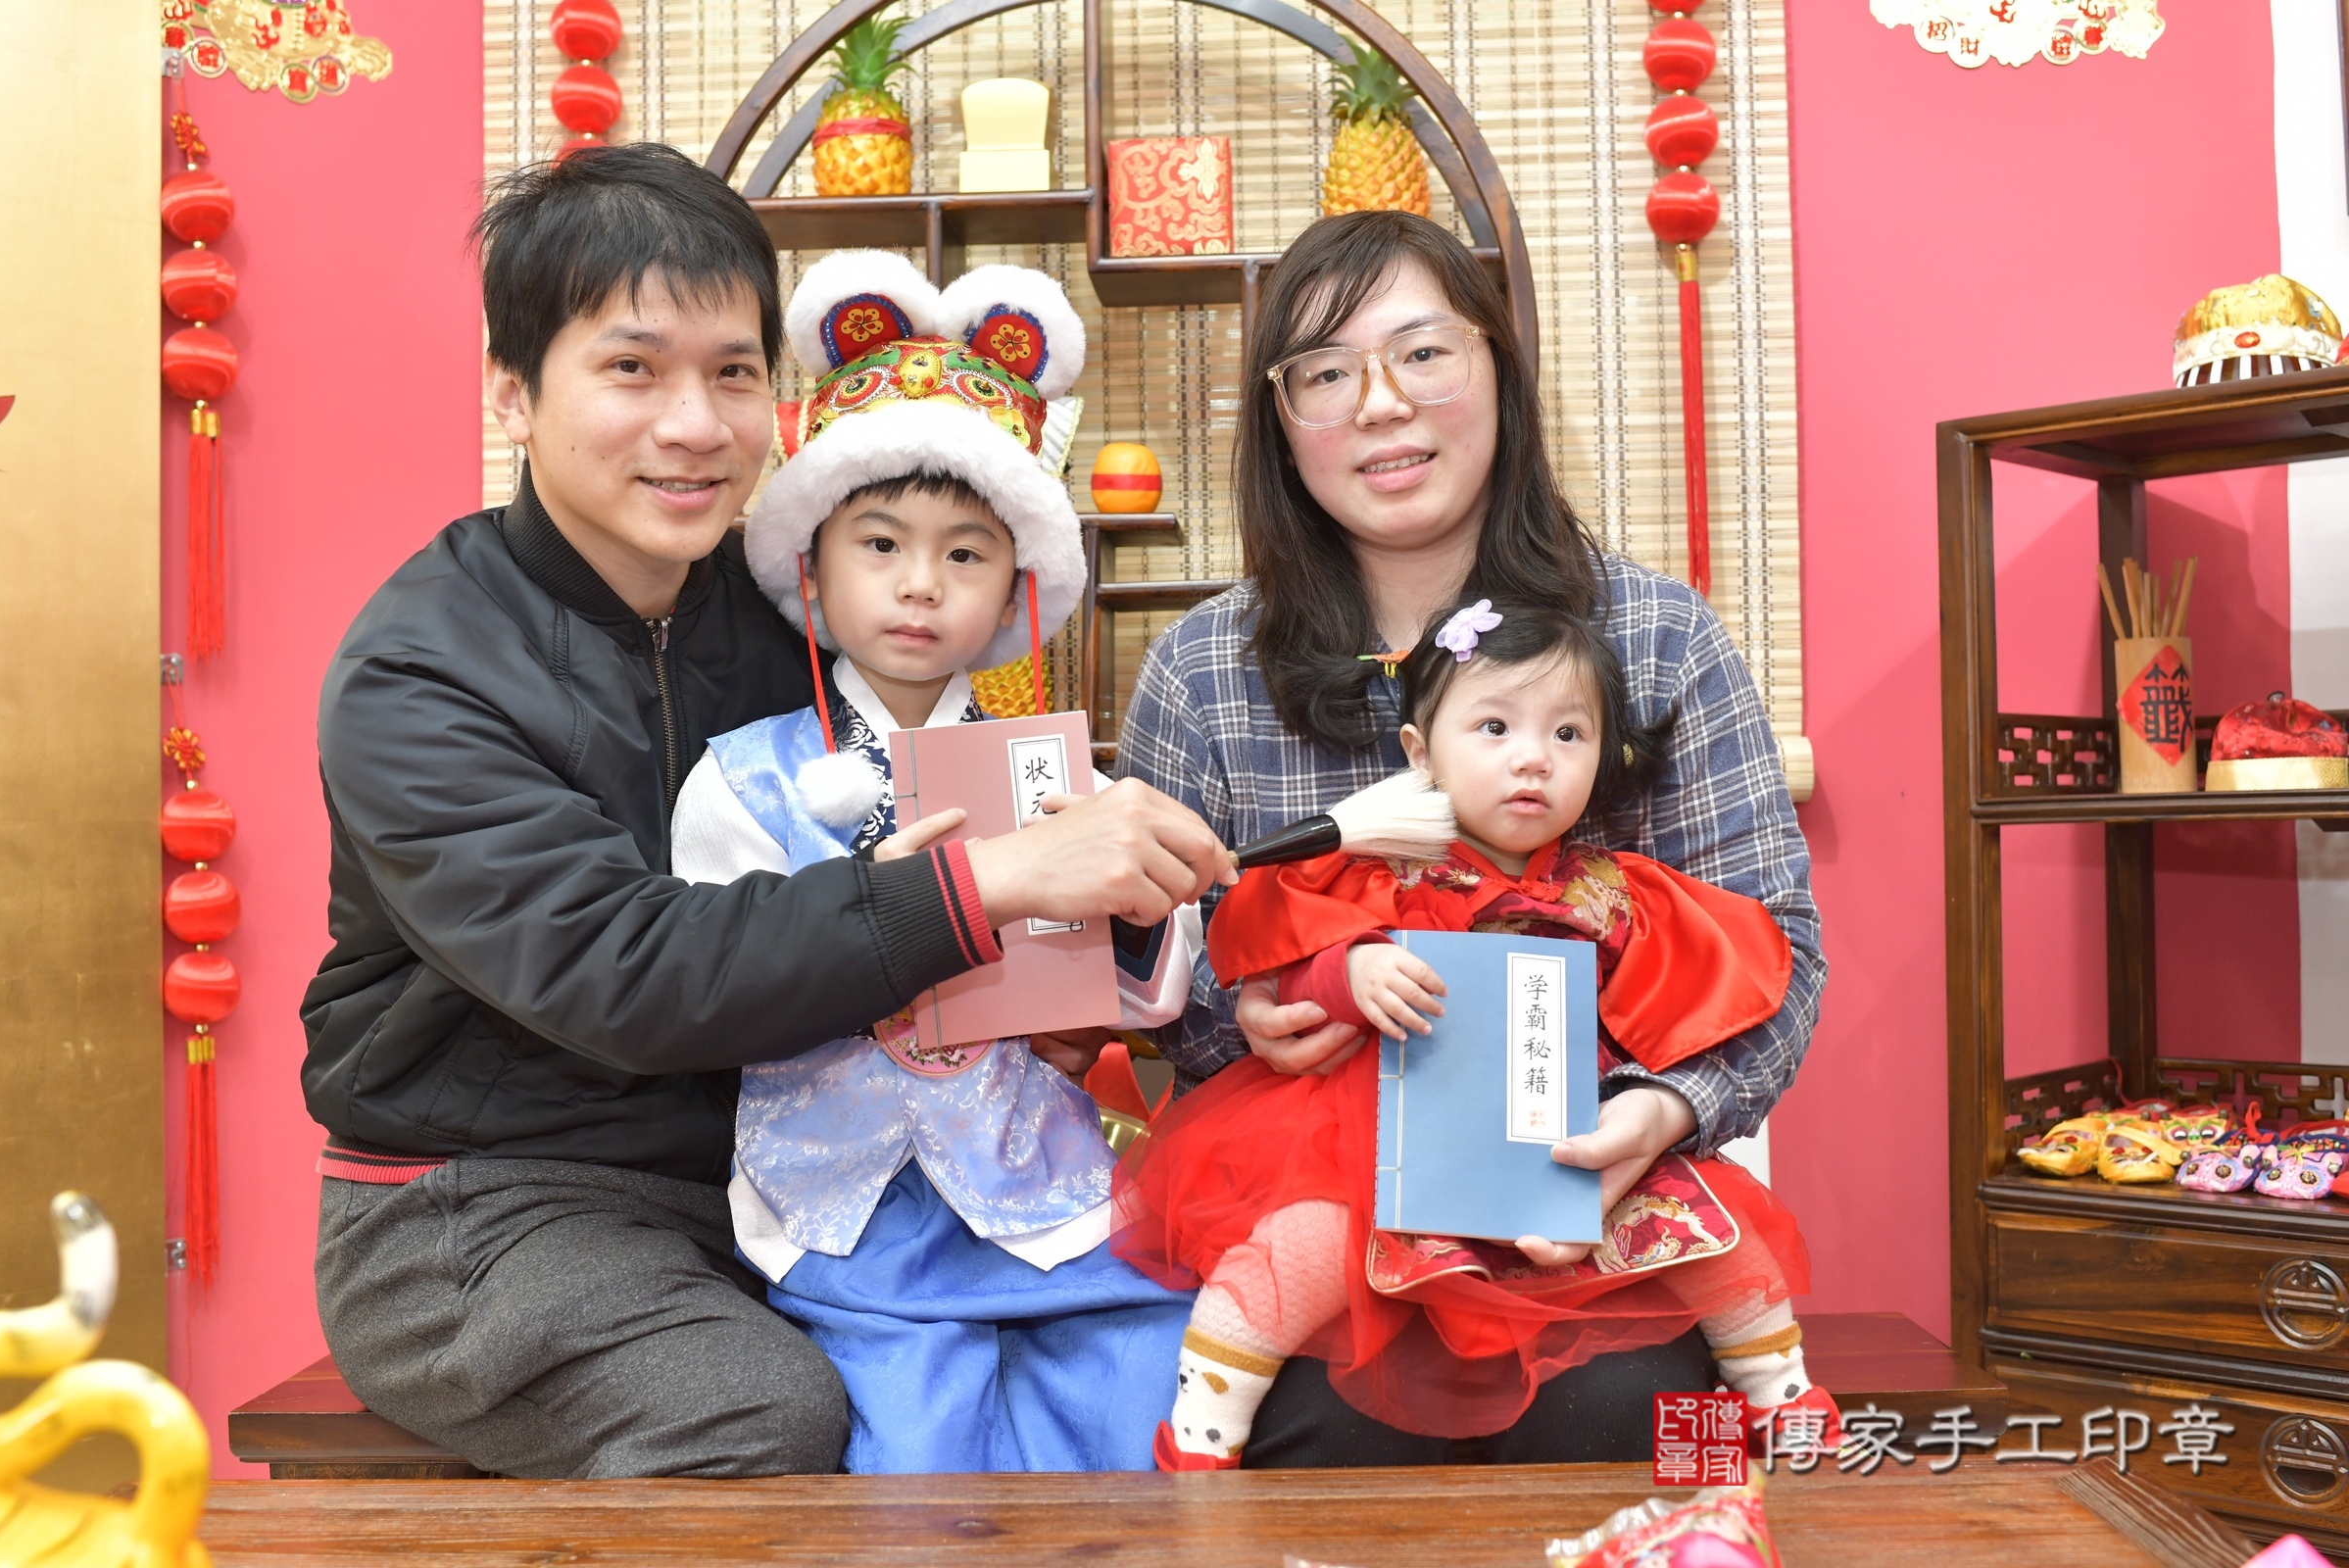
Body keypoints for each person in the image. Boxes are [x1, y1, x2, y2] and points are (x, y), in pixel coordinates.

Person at [302, 145, 1229, 1481]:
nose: (695, 424)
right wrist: (989, 888)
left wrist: (1089, 944)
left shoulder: (803, 613)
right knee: (759, 1415)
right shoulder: (422, 670)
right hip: (484, 1204)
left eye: (733, 372)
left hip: (796, 1173)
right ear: (513, 392)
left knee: (1164, 1356)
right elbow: (621, 970)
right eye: (634, 369)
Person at [1114, 210, 1824, 1465]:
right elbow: (1169, 979)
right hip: (1322, 1212)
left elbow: (1779, 952)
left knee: (1641, 1424)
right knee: (1318, 1437)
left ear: (1499, 362)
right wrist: (1262, 1009)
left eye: (1424, 352)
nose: (1381, 404)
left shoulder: (1656, 636)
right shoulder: (1205, 670)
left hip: (1583, 1210)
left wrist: (1664, 1113)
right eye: (1326, 372)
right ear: (1282, 419)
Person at [665, 251, 1197, 1473]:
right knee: (912, 1462)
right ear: (811, 570)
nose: (919, 584)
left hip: (1036, 1179)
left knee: (1138, 1401)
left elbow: (1154, 983)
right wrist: (873, 917)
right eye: (880, 543)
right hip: (844, 1207)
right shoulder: (744, 777)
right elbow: (708, 982)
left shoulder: (1058, 780)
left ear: (1014, 593)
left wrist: (1130, 918)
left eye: (965, 554)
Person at [1117, 597, 1840, 1470]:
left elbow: (1713, 979)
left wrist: (1662, 1102)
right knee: (1301, 1247)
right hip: (1380, 1140)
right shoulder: (1379, 871)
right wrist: (1345, 974)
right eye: (1495, 728)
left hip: (1564, 1137)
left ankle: (1784, 1397)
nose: (1534, 759)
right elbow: (1272, 951)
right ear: (1420, 752)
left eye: (1568, 735)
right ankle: (1205, 1427)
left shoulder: (1615, 892)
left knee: (1709, 1233)